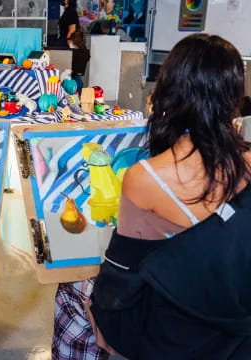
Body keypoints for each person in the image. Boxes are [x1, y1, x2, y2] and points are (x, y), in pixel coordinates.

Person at [89, 34, 251, 359]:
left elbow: (120, 274)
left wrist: (98, 312)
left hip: (173, 332)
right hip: (237, 326)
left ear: (168, 92)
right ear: (234, 98)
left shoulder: (146, 177)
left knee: (71, 293)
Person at [68, 30, 90, 95]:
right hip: (76, 77)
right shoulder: (85, 52)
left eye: (71, 41)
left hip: (72, 77)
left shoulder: (74, 53)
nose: (69, 42)